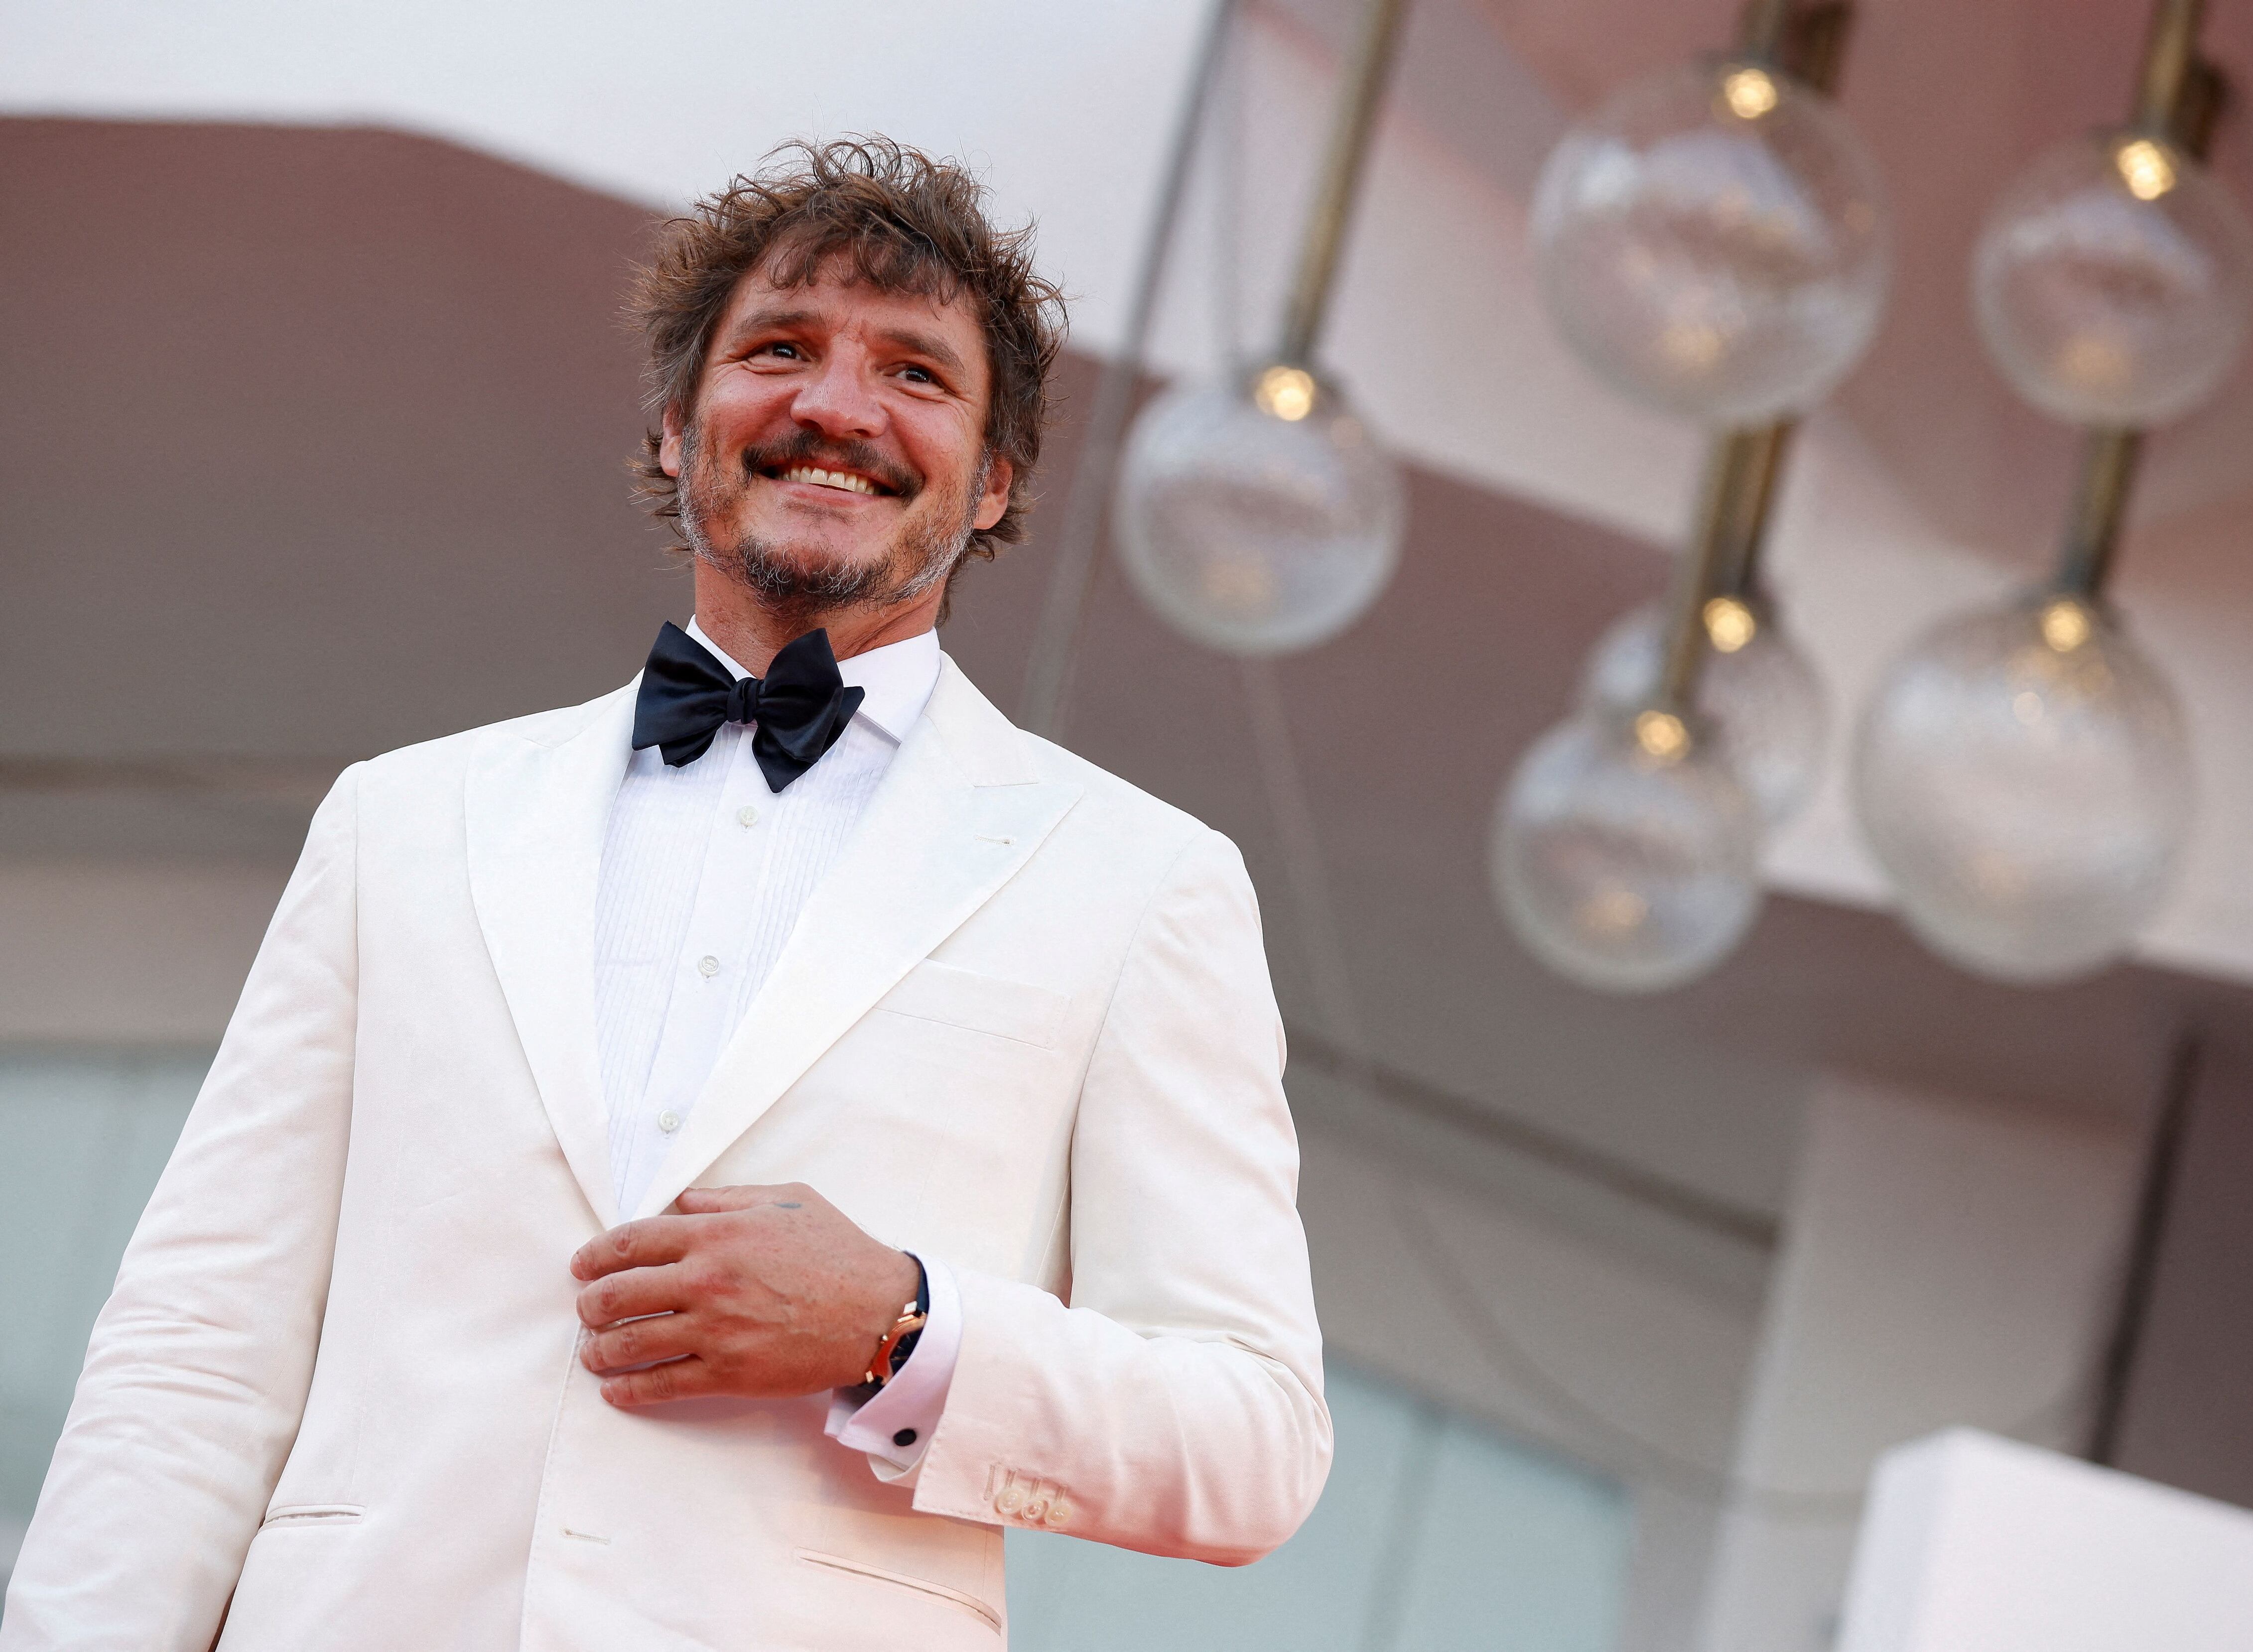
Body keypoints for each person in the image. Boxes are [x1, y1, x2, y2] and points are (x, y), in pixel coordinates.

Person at [2, 137, 1330, 1651]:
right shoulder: (401, 819)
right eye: (780, 350)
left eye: (915, 373)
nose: (836, 406)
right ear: (671, 430)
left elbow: (1253, 1443)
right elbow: (194, 1353)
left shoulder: (1143, 883)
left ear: (996, 480)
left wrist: (898, 1325)